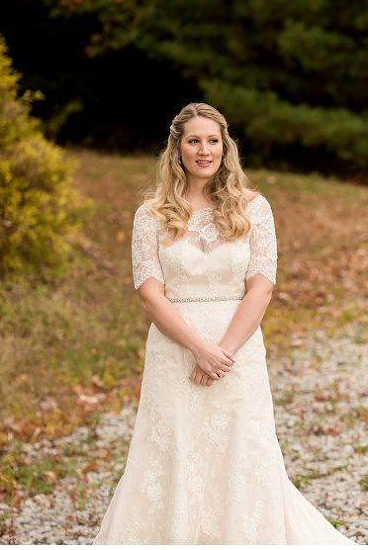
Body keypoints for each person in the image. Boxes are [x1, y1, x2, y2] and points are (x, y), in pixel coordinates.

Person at [95, 102, 351, 544]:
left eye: (212, 140)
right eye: (193, 141)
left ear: (225, 147)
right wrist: (199, 348)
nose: (204, 150)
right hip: (175, 353)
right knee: (173, 449)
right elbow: (149, 291)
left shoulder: (254, 208)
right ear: (177, 149)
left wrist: (223, 352)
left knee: (241, 451)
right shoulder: (152, 215)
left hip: (240, 352)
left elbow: (262, 286)